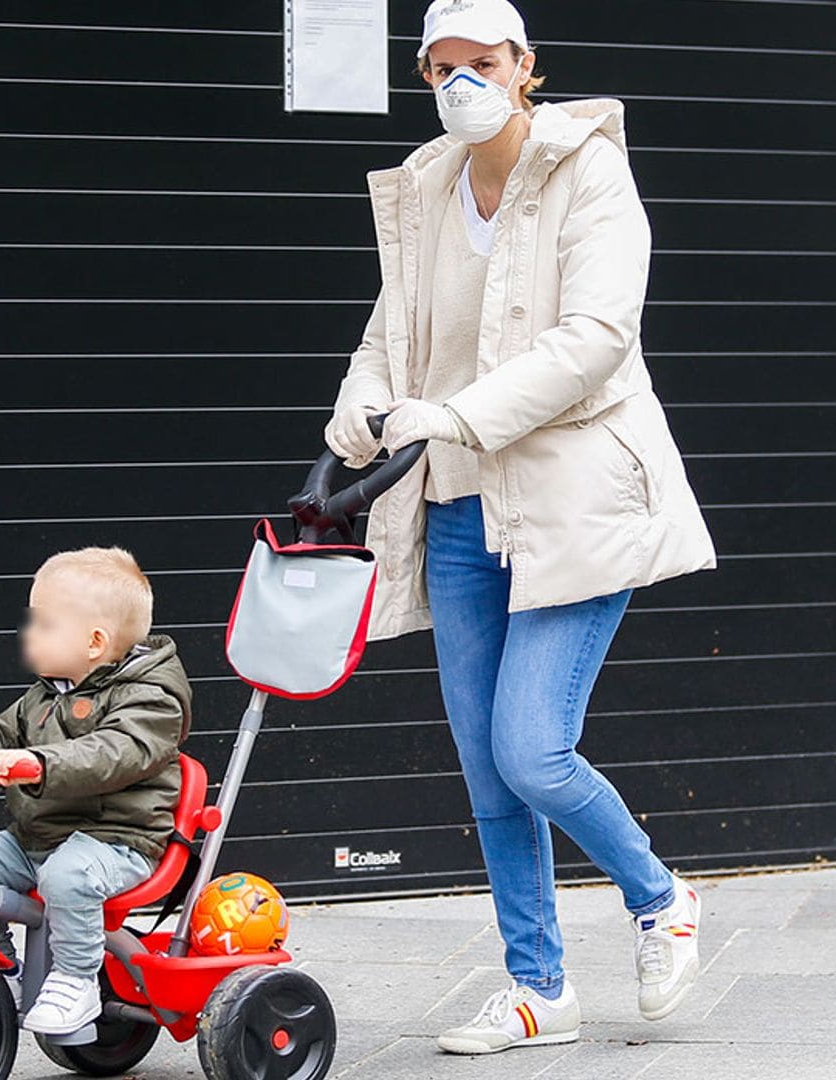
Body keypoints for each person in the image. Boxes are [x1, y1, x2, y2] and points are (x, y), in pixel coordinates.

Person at [322, 0, 719, 1056]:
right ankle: (539, 987)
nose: (463, 82)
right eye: (442, 66)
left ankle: (662, 898)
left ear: (525, 66)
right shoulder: (426, 184)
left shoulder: (588, 171)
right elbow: (389, 331)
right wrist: (360, 406)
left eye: (482, 63)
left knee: (534, 751)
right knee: (489, 772)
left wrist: (452, 414)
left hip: (573, 501)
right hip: (454, 507)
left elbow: (596, 338)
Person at [0, 547, 192, 1035]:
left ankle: (76, 980)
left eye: (44, 625)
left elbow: (115, 751)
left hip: (117, 841)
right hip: (38, 840)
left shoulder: (151, 698)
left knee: (68, 878)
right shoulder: (45, 696)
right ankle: (4, 968)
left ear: (94, 642)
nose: (28, 634)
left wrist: (38, 763)